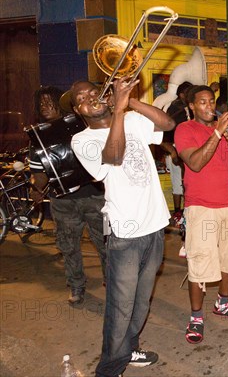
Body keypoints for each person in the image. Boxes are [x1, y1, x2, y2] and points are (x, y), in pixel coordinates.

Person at [70, 78, 175, 376]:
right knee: (120, 306)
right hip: (124, 233)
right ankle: (109, 369)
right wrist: (118, 112)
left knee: (142, 301)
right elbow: (113, 157)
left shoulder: (131, 118)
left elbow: (167, 124)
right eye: (82, 98)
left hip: (155, 225)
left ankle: (130, 349)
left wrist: (132, 103)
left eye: (93, 91)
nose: (90, 97)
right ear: (79, 110)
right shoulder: (82, 139)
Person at [174, 85, 228, 344]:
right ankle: (196, 317)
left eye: (212, 101)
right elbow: (194, 163)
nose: (209, 106)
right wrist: (217, 133)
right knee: (200, 261)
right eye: (202, 102)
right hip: (201, 206)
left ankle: (223, 303)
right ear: (192, 106)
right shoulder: (185, 130)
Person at [29, 86, 107, 305]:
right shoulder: (38, 137)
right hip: (62, 203)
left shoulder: (82, 125)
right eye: (41, 103)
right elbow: (38, 172)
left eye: (49, 101)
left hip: (94, 197)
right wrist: (36, 187)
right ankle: (76, 286)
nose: (45, 106)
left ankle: (112, 282)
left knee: (106, 243)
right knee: (68, 247)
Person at [161, 81, 193, 218]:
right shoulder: (175, 108)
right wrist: (173, 151)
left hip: (187, 149)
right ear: (181, 95)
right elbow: (162, 135)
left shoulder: (188, 108)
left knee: (186, 183)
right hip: (175, 148)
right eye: (188, 93)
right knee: (178, 184)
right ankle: (178, 213)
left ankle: (185, 211)